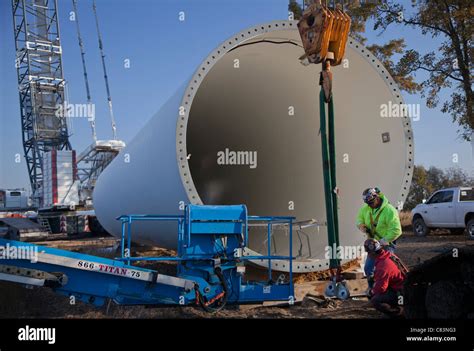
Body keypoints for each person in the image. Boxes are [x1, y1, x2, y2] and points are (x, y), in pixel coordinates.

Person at [356, 187, 402, 288]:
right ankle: (372, 289)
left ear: (377, 197)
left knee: (385, 269)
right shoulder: (366, 209)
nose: (370, 206)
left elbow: (396, 230)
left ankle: (389, 291)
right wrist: (361, 225)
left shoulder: (389, 210)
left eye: (372, 202)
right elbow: (359, 219)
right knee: (368, 268)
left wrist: (381, 242)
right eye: (368, 204)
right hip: (373, 246)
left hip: (386, 245)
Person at [364, 238, 407, 318]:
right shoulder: (389, 255)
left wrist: (371, 292)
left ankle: (400, 312)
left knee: (375, 300)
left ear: (372, 253)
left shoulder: (382, 266)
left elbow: (381, 288)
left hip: (401, 294)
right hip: (403, 287)